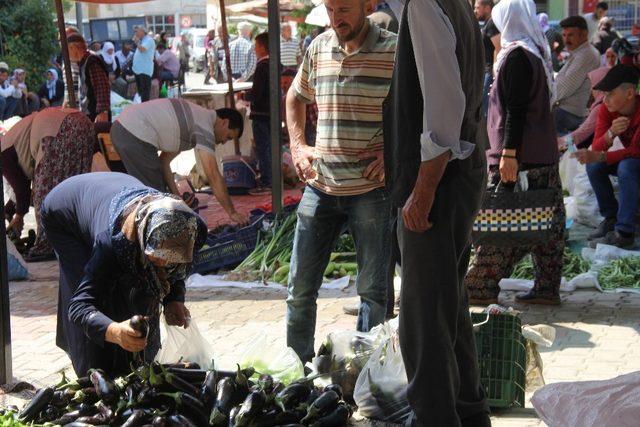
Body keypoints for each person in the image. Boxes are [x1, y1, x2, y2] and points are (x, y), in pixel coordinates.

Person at [383, 0, 489, 424]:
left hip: (440, 182)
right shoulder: (450, 4)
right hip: (455, 176)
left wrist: (423, 191)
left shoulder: (425, 5)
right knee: (448, 305)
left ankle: (435, 417)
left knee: (423, 319)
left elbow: (444, 112)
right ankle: (470, 411)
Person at [286, 0, 396, 363]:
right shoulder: (318, 46)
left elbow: (419, 110)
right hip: (320, 186)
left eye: (344, 9)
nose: (336, 18)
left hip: (370, 191)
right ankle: (296, 366)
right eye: (331, 10)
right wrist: (299, 147)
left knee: (373, 292)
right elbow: (294, 97)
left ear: (366, 5)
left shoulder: (394, 49)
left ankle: (362, 371)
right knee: (300, 289)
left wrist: (392, 154)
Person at [41, 172, 207, 376]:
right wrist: (114, 331)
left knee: (138, 285)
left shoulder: (186, 227)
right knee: (98, 290)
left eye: (170, 261)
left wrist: (174, 298)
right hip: (65, 213)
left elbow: (172, 269)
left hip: (109, 191)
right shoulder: (111, 242)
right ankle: (90, 367)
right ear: (142, 238)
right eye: (157, 257)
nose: (164, 265)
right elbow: (80, 306)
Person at [466, 0, 565, 308]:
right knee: (549, 222)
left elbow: (516, 110)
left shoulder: (516, 57)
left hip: (519, 156)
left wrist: (509, 154)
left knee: (500, 221)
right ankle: (547, 287)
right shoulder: (535, 53)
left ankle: (482, 285)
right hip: (541, 153)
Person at [110, 99, 248, 224]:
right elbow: (213, 175)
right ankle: (157, 245)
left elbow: (164, 162)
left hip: (122, 129)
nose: (224, 142)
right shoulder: (205, 124)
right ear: (225, 122)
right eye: (228, 137)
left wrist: (177, 198)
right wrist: (232, 212)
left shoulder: (193, 121)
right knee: (157, 203)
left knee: (156, 198)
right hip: (133, 132)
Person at [1, 108, 95, 261]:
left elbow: (21, 189)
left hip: (57, 129)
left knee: (46, 193)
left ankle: (48, 245)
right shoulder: (9, 142)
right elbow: (20, 188)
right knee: (74, 189)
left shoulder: (2, 154)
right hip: (82, 123)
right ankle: (75, 241)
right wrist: (10, 212)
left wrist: (18, 217)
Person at [572, 65, 640, 249]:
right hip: (632, 160)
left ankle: (625, 232)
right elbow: (597, 145)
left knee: (627, 166)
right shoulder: (605, 110)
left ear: (630, 93)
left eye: (610, 93)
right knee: (593, 166)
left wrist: (601, 157)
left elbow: (635, 151)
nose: (605, 98)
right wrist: (610, 133)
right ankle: (611, 218)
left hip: (635, 161)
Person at [553, 16, 600, 135]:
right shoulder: (579, 52)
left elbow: (562, 89)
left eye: (571, 35)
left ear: (584, 34)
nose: (566, 39)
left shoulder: (585, 55)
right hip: (567, 112)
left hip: (569, 115)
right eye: (564, 35)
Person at [244, 33, 272, 191]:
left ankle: (267, 181)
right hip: (271, 113)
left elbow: (256, 93)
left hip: (261, 114)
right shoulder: (274, 64)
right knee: (270, 148)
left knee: (263, 148)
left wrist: (244, 95)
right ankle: (271, 178)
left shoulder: (262, 66)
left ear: (261, 47)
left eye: (256, 46)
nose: (254, 49)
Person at [559, 66, 611, 151]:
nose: (590, 89)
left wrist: (559, 143)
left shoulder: (601, 107)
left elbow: (580, 135)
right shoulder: (607, 103)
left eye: (593, 85)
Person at [67, 33, 111, 122]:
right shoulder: (83, 62)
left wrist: (102, 112)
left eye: (68, 50)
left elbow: (101, 87)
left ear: (74, 48)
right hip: (89, 113)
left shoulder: (91, 61)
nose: (67, 54)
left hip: (96, 114)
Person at [475, 0, 500, 116]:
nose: (475, 11)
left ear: (487, 8)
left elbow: (498, 48)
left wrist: (495, 73)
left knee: (485, 114)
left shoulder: (491, 24)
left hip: (489, 73)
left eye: (477, 7)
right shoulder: (487, 24)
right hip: (485, 73)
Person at [132, 25, 156, 102]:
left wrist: (137, 42)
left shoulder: (149, 40)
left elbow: (142, 49)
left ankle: (145, 111)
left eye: (137, 31)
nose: (135, 33)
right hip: (139, 70)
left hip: (144, 71)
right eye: (135, 31)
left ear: (143, 31)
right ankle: (142, 109)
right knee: (141, 93)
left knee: (145, 94)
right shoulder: (142, 41)